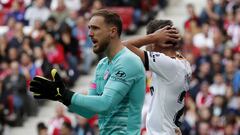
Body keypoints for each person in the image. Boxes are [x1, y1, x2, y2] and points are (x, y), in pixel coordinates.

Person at [123, 20, 192, 134]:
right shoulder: (183, 63)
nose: (146, 44)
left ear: (157, 41)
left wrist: (152, 37)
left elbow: (122, 48)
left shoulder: (166, 64)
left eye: (151, 38)